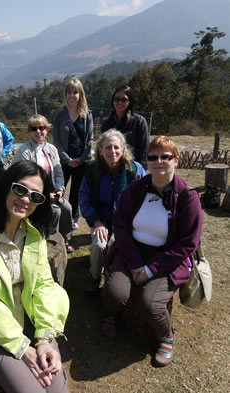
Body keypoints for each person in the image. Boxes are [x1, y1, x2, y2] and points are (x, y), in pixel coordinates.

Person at [0, 160, 70, 393]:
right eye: (20, 189)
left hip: (31, 322)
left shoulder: (33, 235)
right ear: (6, 187)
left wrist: (44, 339)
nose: (26, 200)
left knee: (57, 389)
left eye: (36, 197)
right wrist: (21, 347)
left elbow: (44, 286)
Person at [101, 136, 202, 367]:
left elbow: (188, 243)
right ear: (146, 161)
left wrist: (150, 269)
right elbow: (121, 226)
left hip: (168, 258)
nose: (159, 161)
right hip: (131, 251)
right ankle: (110, 313)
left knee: (150, 303)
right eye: (153, 157)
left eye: (165, 156)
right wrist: (137, 264)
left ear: (176, 160)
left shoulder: (187, 196)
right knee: (115, 292)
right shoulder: (135, 189)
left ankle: (166, 335)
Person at [79, 129, 145, 295]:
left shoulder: (135, 171)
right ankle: (95, 278)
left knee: (115, 243)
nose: (112, 151)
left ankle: (113, 280)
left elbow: (144, 200)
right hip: (100, 220)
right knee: (98, 245)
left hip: (125, 223)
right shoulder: (91, 170)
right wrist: (96, 222)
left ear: (123, 150)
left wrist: (126, 225)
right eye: (108, 147)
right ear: (100, 150)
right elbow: (84, 198)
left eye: (116, 147)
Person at [14, 114, 74, 253]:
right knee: (55, 211)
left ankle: (65, 240)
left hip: (53, 190)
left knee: (67, 208)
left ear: (47, 129)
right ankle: (51, 243)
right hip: (33, 194)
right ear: (29, 131)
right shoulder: (25, 151)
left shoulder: (52, 149)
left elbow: (58, 172)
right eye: (34, 129)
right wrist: (46, 195)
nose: (38, 131)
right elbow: (25, 180)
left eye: (41, 127)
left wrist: (60, 188)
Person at [52, 77, 94, 229]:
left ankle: (73, 218)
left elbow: (90, 139)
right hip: (63, 161)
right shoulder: (59, 115)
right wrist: (67, 159)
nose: (72, 96)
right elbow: (56, 140)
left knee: (76, 191)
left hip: (82, 161)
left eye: (75, 92)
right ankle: (59, 216)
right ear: (65, 94)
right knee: (59, 189)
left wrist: (81, 159)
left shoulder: (87, 115)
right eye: (69, 92)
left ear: (80, 94)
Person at [101, 85, 150, 169]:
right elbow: (103, 148)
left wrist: (140, 170)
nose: (120, 102)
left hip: (132, 168)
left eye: (124, 100)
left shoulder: (139, 122)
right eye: (117, 99)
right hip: (111, 169)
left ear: (130, 102)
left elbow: (144, 149)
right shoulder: (107, 124)